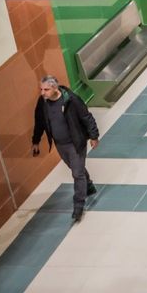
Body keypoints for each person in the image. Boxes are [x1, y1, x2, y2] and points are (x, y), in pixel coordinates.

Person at [31, 75, 99, 222]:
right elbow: (39, 122)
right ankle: (89, 186)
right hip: (60, 145)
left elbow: (87, 117)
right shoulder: (42, 102)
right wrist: (35, 141)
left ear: (55, 88)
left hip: (76, 142)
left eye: (46, 90)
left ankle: (78, 206)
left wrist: (94, 136)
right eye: (41, 89)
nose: (42, 93)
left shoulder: (71, 100)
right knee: (76, 168)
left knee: (77, 173)